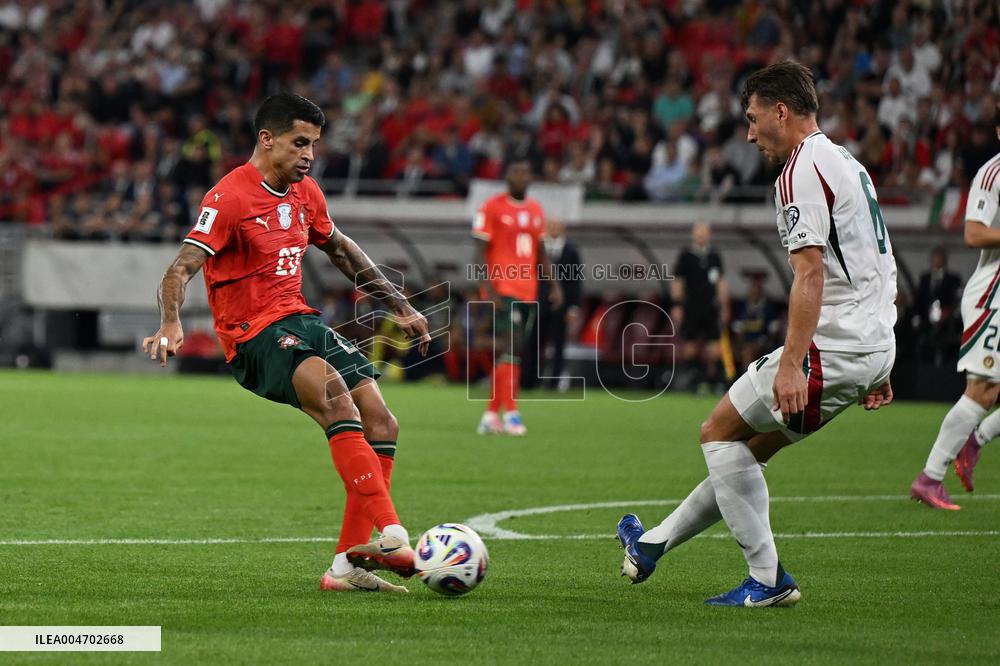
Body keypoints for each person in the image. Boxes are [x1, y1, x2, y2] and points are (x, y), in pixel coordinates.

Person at [616, 61, 898, 607]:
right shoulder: (847, 163)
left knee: (717, 433)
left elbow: (810, 272)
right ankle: (649, 546)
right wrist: (881, 363)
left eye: (752, 119)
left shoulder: (799, 169)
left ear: (781, 111)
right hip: (868, 343)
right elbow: (877, 264)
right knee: (746, 450)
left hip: (832, 344)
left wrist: (791, 363)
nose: (748, 133)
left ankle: (767, 580)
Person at [141, 93, 431, 593]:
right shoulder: (228, 197)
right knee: (337, 396)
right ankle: (392, 533)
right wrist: (171, 322)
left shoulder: (306, 193)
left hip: (301, 320)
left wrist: (399, 304)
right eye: (300, 143)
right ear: (266, 139)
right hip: (253, 336)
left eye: (314, 145)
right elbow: (181, 266)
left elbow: (340, 248)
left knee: (384, 420)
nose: (309, 155)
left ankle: (345, 568)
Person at [911, 106, 1000, 507]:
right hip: (994, 293)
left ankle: (975, 442)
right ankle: (930, 477)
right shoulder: (992, 173)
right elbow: (974, 232)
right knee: (983, 390)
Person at [472, 159, 562, 435]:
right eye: (515, 172)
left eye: (525, 172)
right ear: (507, 177)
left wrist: (555, 285)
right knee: (511, 350)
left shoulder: (536, 210)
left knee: (514, 352)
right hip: (503, 288)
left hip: (528, 290)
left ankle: (490, 415)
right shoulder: (492, 207)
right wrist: (487, 288)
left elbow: (541, 252)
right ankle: (511, 414)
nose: (521, 177)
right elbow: (478, 250)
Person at [522, 218, 583, 390]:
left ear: (563, 228)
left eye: (557, 225)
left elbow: (575, 281)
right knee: (534, 342)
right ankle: (529, 380)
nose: (554, 228)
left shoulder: (571, 251)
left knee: (558, 344)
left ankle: (554, 383)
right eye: (550, 225)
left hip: (562, 306)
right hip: (539, 304)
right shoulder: (538, 249)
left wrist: (573, 306)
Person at [671, 222, 730, 393]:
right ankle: (694, 379)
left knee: (714, 346)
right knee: (690, 344)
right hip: (691, 307)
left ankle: (713, 380)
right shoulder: (686, 255)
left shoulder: (714, 255)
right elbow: (678, 281)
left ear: (709, 234)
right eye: (698, 232)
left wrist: (724, 305)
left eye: (704, 232)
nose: (701, 235)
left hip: (711, 307)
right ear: (693, 234)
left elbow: (720, 281)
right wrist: (677, 305)